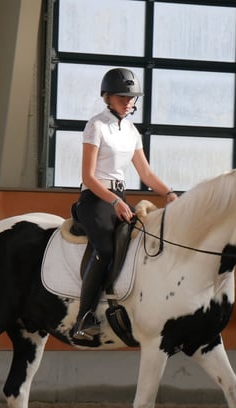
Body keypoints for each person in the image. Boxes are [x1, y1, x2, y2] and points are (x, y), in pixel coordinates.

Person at [70, 67, 178, 343]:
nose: (128, 102)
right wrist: (115, 200)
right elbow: (88, 177)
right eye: (122, 97)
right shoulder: (96, 126)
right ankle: (84, 317)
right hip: (95, 199)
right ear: (107, 96)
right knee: (105, 249)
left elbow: (146, 174)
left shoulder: (131, 131)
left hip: (119, 199)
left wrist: (169, 193)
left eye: (132, 98)